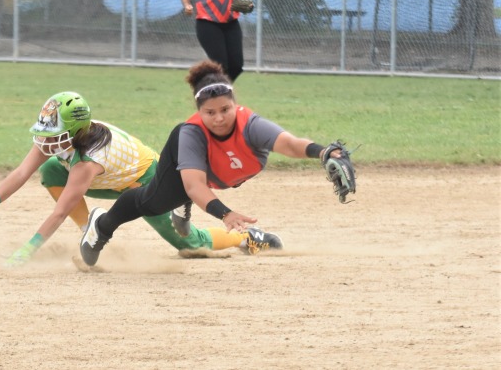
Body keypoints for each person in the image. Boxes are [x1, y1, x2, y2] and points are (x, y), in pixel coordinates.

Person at [0, 91, 274, 266]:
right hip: (114, 180)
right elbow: (22, 172)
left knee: (189, 246)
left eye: (56, 131)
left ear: (76, 132)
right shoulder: (66, 142)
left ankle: (247, 238)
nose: (47, 139)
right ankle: (87, 231)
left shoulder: (88, 161)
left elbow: (59, 210)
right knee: (51, 168)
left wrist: (27, 251)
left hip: (149, 178)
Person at [80, 60, 347, 267]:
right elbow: (195, 186)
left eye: (225, 110)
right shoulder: (192, 133)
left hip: (208, 173)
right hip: (185, 162)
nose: (219, 118)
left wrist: (322, 153)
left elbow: (288, 143)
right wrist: (226, 214)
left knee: (189, 191)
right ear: (199, 111)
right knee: (152, 203)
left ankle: (181, 205)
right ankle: (101, 227)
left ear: (235, 105)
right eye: (210, 112)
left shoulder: (250, 125)